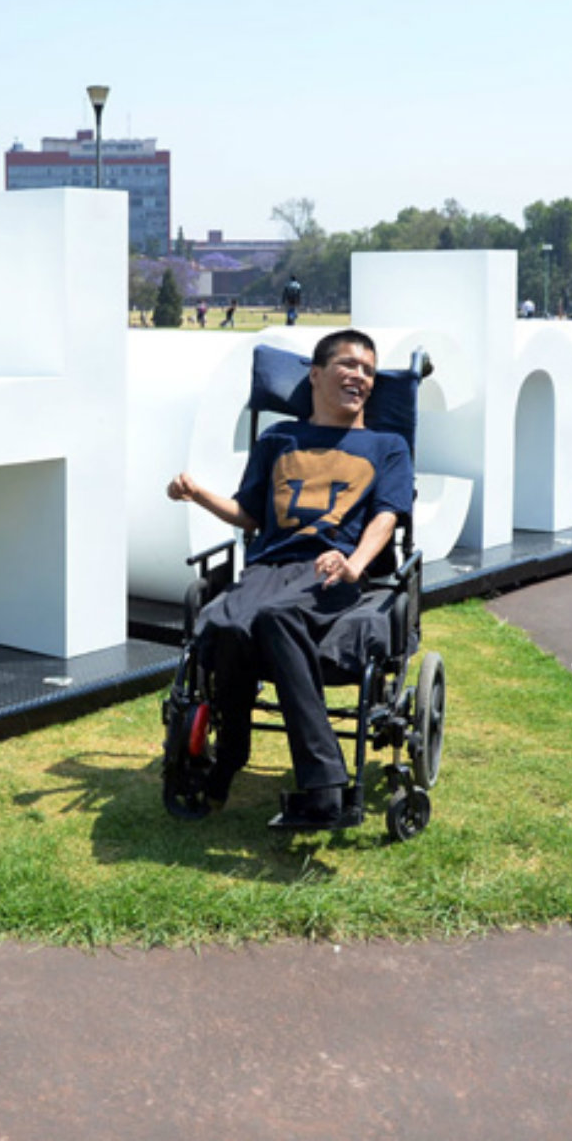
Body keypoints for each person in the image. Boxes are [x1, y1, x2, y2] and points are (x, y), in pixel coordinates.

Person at [167, 329, 414, 828]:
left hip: (331, 571)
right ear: (316, 374)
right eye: (348, 365)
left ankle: (324, 788)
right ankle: (229, 759)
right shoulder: (277, 439)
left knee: (277, 617)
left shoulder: (387, 445)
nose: (360, 377)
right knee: (232, 626)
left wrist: (355, 565)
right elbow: (249, 515)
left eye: (368, 370)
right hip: (267, 567)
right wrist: (197, 494)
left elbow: (386, 517)